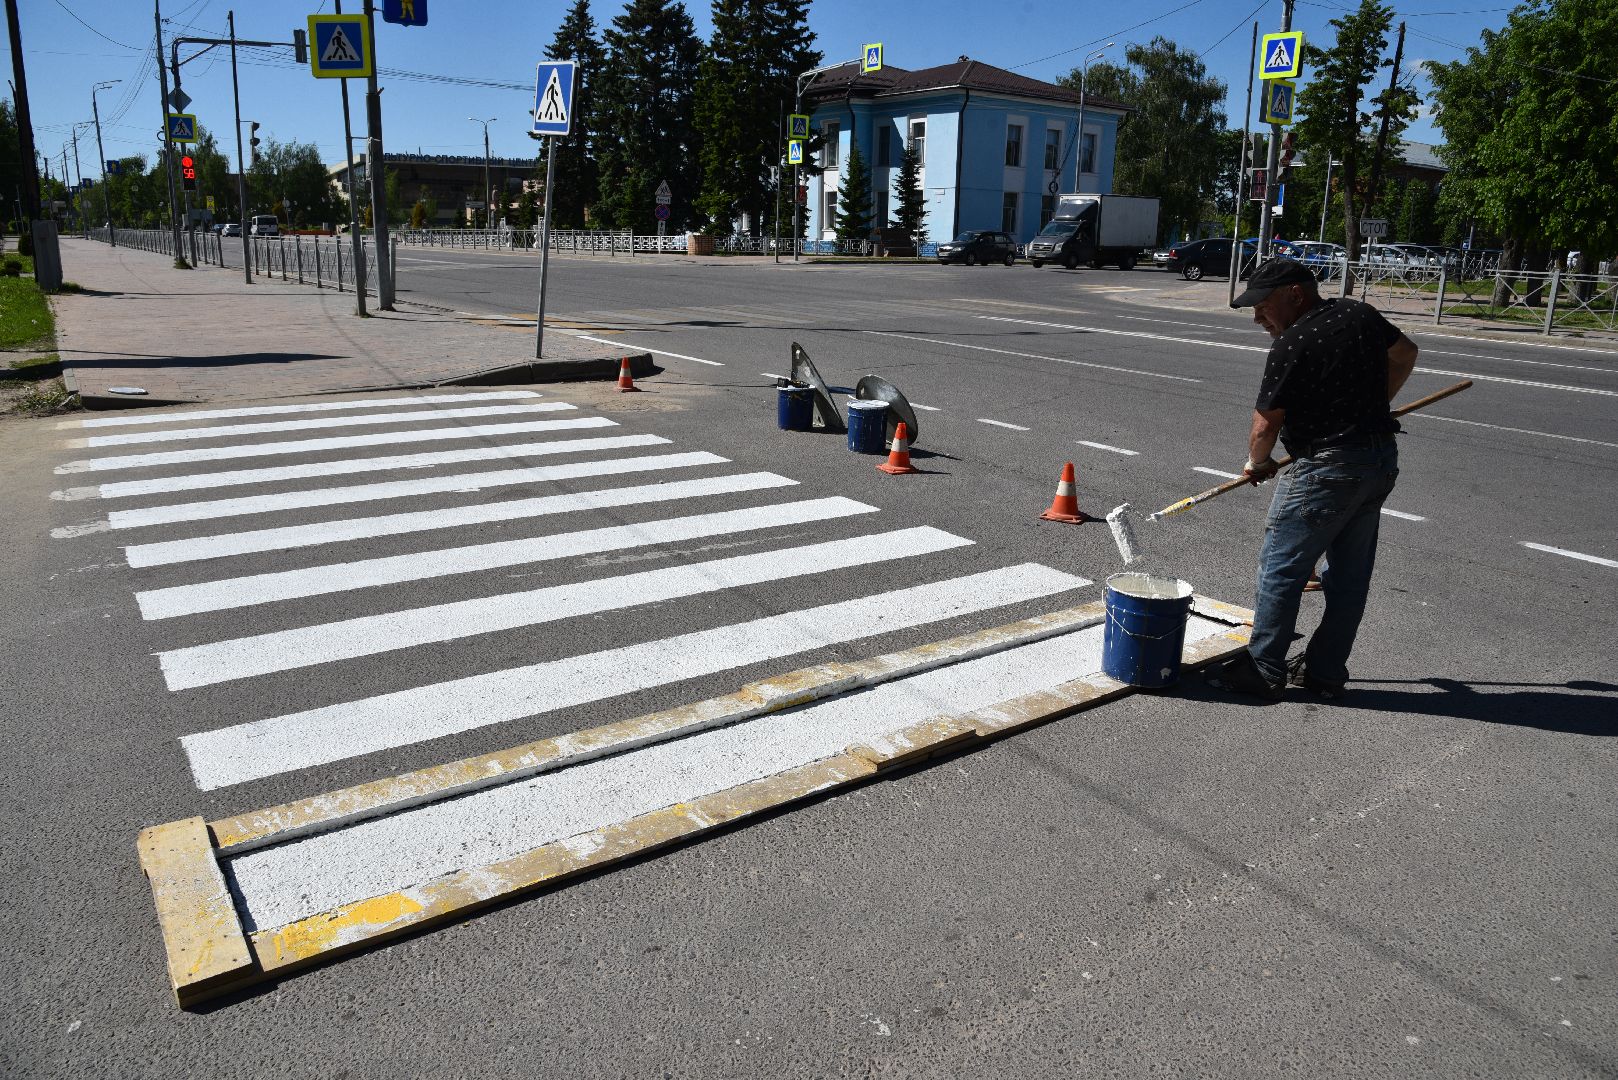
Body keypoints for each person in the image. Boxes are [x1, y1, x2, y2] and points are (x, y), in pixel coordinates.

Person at [1207, 258, 1419, 700]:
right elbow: (1405, 354)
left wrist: (1256, 463)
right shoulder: (1357, 313)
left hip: (1326, 469)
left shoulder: (1293, 342)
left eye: (1262, 305)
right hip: (1377, 460)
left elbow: (1266, 424)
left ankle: (1264, 669)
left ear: (1294, 294)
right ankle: (1324, 671)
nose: (1257, 316)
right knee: (1349, 576)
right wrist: (1374, 405)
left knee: (1281, 570)